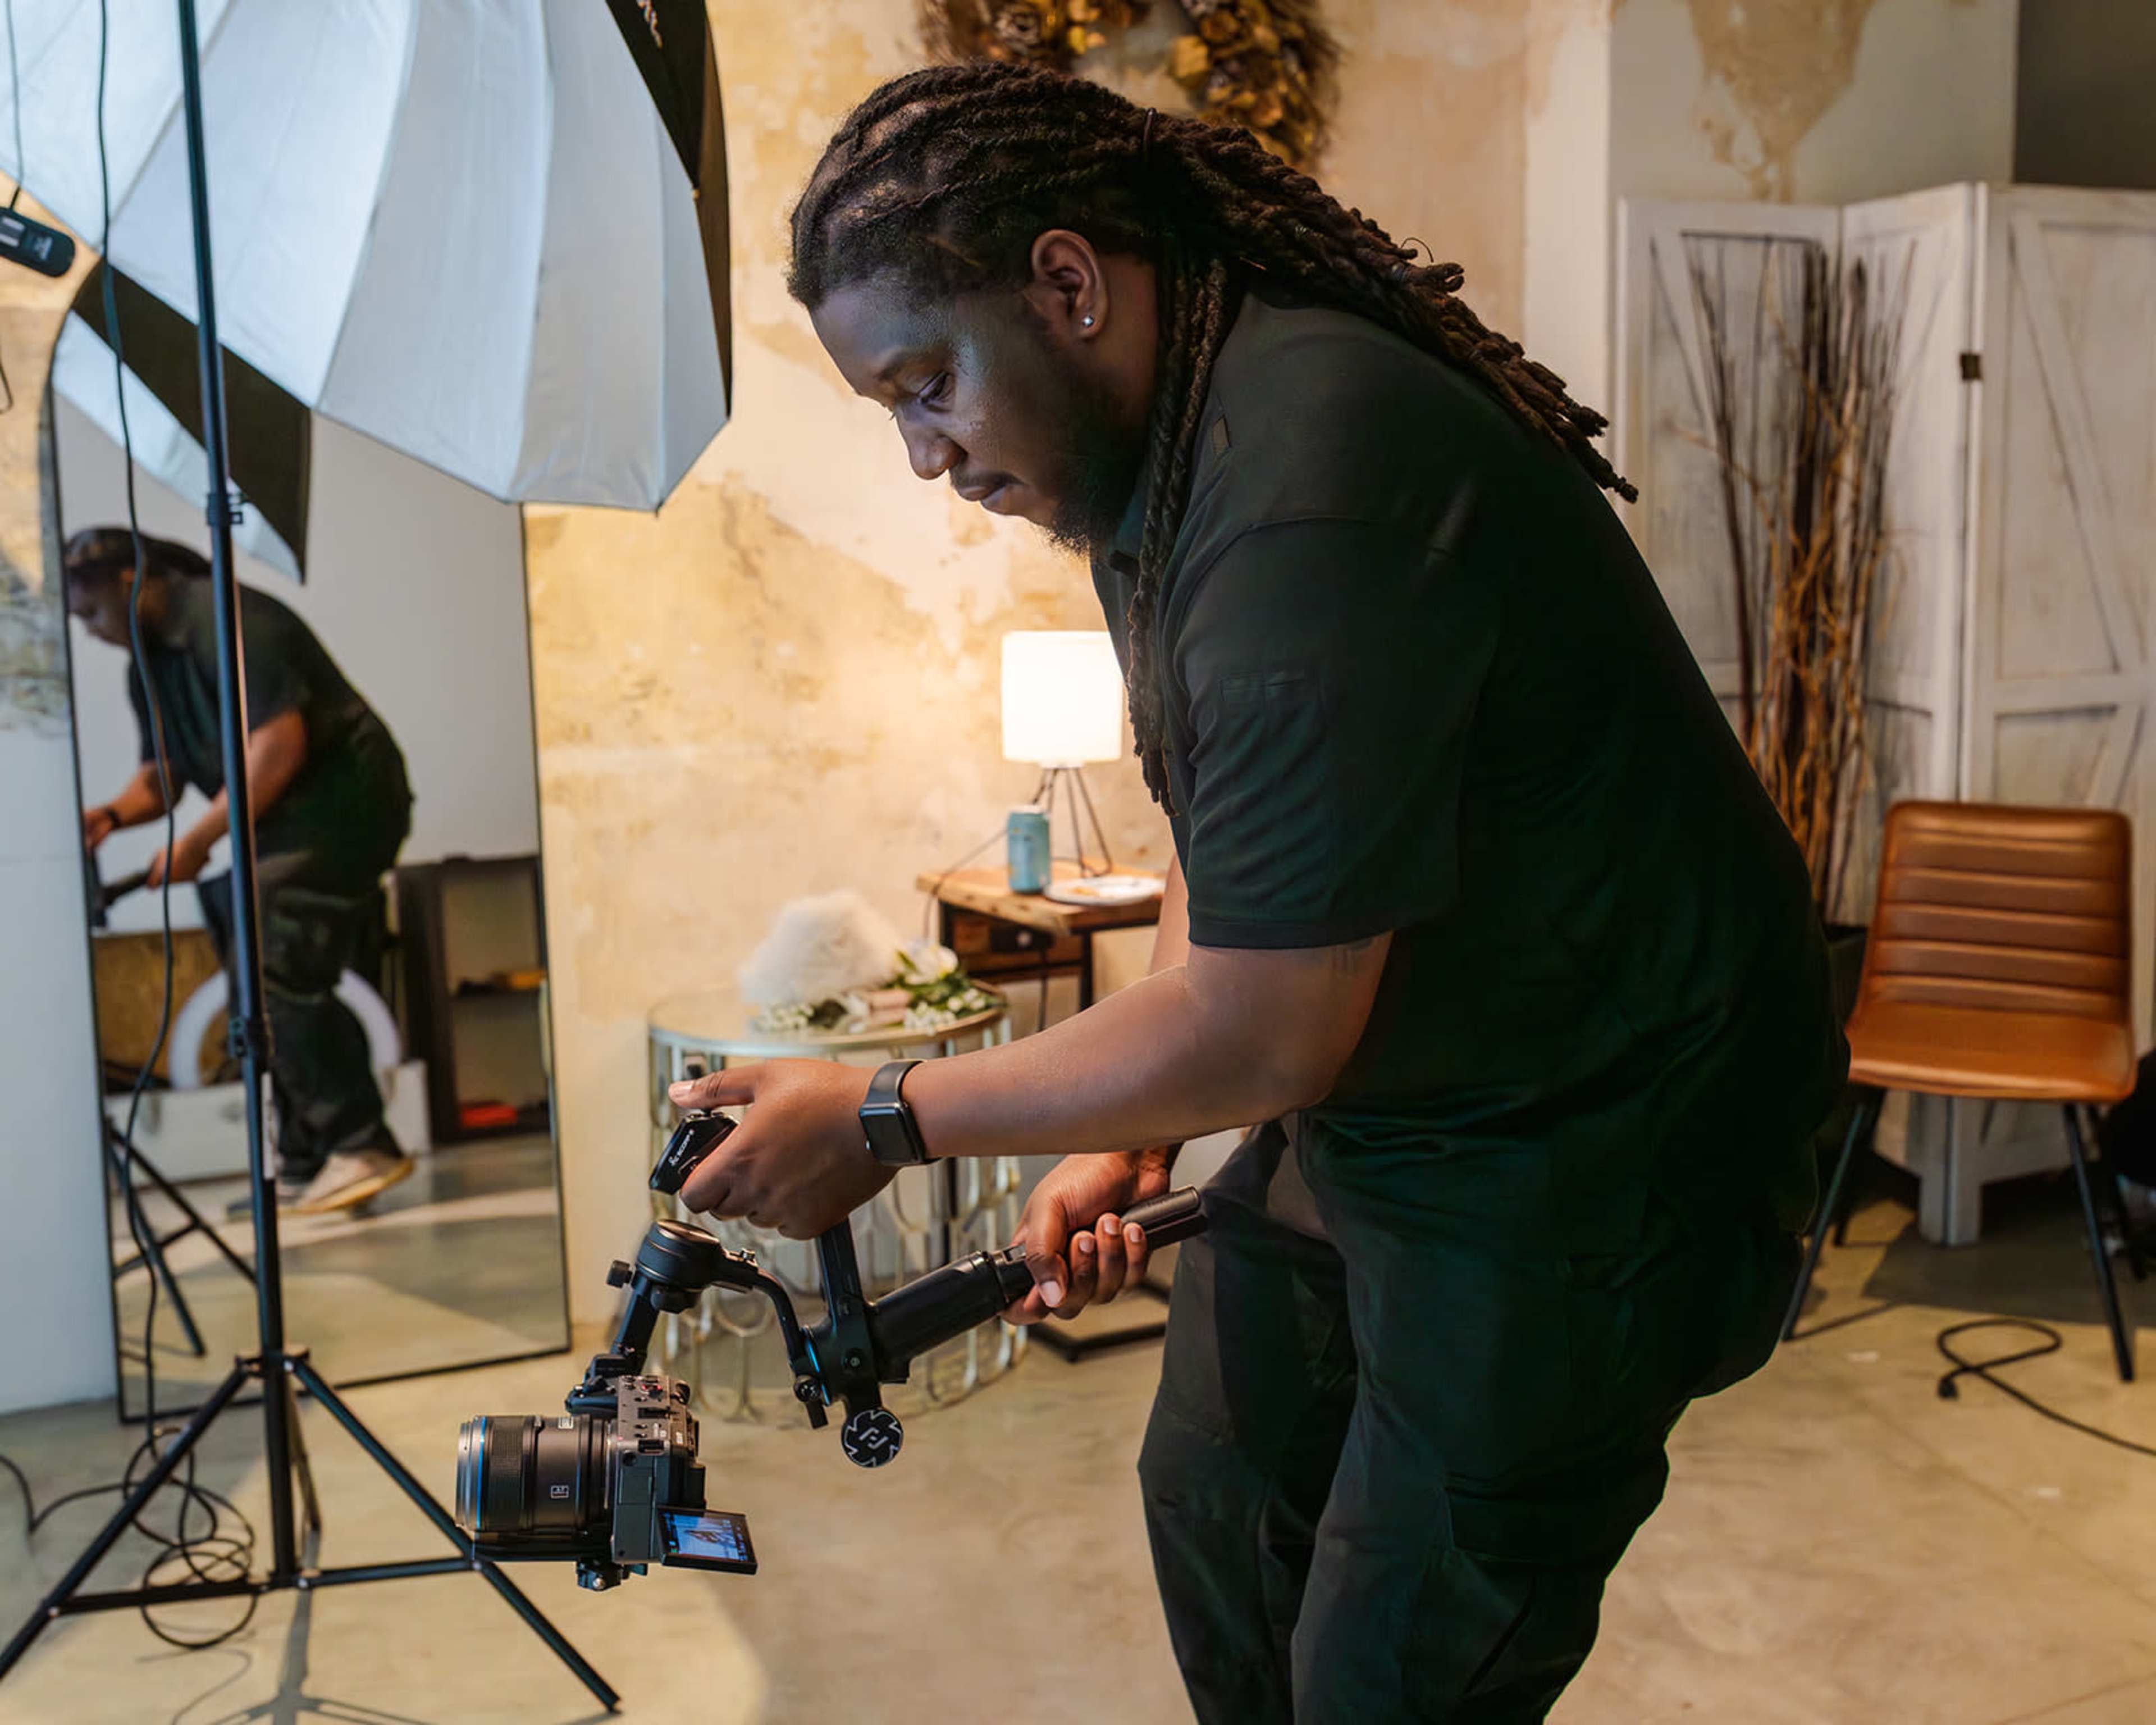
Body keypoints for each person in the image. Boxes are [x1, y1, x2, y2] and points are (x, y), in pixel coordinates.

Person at [664, 64, 1848, 1724]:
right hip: (1398, 1076)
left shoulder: (1310, 474)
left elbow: (1265, 1023)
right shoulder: (1142, 460)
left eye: (927, 387)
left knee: (1394, 1666)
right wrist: (1125, 1132)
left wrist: (882, 1113)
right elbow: (1213, 852)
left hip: (1589, 1132)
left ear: (1067, 285)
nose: (927, 454)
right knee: (1216, 1488)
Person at [69, 528, 416, 1217]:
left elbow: (277, 744)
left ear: (132, 581)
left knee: (267, 930)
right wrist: (108, 816)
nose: (89, 632)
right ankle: (308, 1160)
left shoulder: (229, 619)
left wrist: (198, 840)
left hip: (347, 801)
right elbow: (162, 779)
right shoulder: (147, 664)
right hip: (287, 818)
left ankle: (360, 1140)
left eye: (92, 614)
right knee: (239, 934)